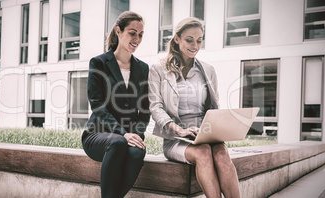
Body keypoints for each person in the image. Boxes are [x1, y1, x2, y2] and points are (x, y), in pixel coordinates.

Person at [148, 17, 240, 198]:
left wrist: (215, 129)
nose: (195, 45)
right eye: (189, 40)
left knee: (221, 154)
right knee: (203, 153)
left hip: (205, 134)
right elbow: (155, 107)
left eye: (199, 40)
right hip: (175, 138)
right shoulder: (157, 69)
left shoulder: (208, 70)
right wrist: (179, 130)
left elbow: (214, 107)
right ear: (177, 39)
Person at [81, 11, 150, 198]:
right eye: (132, 33)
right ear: (118, 31)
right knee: (118, 142)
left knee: (137, 153)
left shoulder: (143, 68)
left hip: (129, 136)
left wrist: (136, 135)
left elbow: (144, 110)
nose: (137, 39)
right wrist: (123, 133)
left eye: (141, 35)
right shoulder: (99, 63)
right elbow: (97, 105)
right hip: (98, 135)